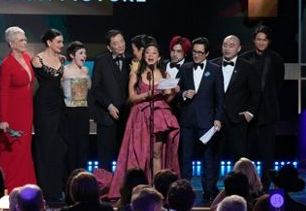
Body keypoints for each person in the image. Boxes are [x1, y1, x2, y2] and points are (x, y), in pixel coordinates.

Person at [108, 43, 180, 199]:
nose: (151, 55)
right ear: (144, 55)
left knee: (156, 153)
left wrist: (174, 91)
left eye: (154, 52)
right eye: (148, 52)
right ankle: (137, 189)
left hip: (160, 116)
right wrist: (148, 94)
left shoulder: (165, 74)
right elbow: (132, 98)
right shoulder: (136, 73)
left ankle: (156, 188)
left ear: (159, 57)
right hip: (140, 116)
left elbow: (167, 98)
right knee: (140, 153)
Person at [177, 37, 224, 201]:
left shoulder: (216, 69)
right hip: (188, 120)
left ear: (207, 53)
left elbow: (220, 97)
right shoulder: (185, 68)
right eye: (194, 52)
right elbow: (176, 90)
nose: (196, 55)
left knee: (208, 158)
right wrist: (183, 93)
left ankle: (209, 191)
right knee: (186, 157)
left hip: (207, 121)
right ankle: (184, 191)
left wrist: (218, 118)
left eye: (200, 52)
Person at [0, 26, 36, 192]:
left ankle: (26, 184)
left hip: (27, 110)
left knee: (24, 148)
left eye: (25, 39)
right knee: (13, 149)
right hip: (13, 113)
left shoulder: (26, 57)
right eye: (21, 40)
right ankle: (10, 187)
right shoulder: (6, 65)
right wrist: (3, 118)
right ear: (11, 43)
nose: (25, 42)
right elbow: (3, 93)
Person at [240, 25, 284, 185]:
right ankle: (246, 184)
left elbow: (278, 85)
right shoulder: (244, 58)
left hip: (268, 113)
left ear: (269, 42)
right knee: (246, 154)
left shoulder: (277, 60)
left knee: (267, 154)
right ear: (254, 40)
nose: (261, 42)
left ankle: (265, 186)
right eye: (258, 39)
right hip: (248, 114)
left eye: (264, 40)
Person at [211, 35, 260, 162]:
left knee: (239, 156)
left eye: (231, 46)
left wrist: (250, 113)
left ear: (239, 49)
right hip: (215, 118)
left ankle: (240, 182)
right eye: (225, 45)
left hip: (238, 118)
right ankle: (210, 183)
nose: (227, 48)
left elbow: (256, 93)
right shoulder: (212, 64)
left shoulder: (248, 67)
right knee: (213, 156)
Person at [31, 28, 66, 202]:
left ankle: (56, 188)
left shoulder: (61, 59)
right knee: (44, 144)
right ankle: (44, 189)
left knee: (56, 146)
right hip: (43, 105)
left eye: (62, 41)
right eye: (58, 42)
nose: (62, 45)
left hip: (58, 104)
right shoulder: (37, 59)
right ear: (49, 42)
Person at [92, 30, 132, 171]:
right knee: (105, 157)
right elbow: (95, 89)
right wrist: (108, 106)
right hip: (106, 115)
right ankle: (105, 188)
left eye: (122, 41)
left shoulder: (132, 61)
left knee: (125, 155)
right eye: (115, 43)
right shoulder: (101, 61)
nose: (120, 45)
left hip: (126, 116)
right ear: (109, 47)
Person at [61, 41, 91, 177]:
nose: (84, 56)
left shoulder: (86, 70)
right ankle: (69, 180)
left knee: (83, 146)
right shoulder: (64, 70)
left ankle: (82, 179)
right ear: (72, 55)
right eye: (80, 53)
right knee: (71, 147)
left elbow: (89, 88)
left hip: (83, 112)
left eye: (84, 53)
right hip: (69, 112)